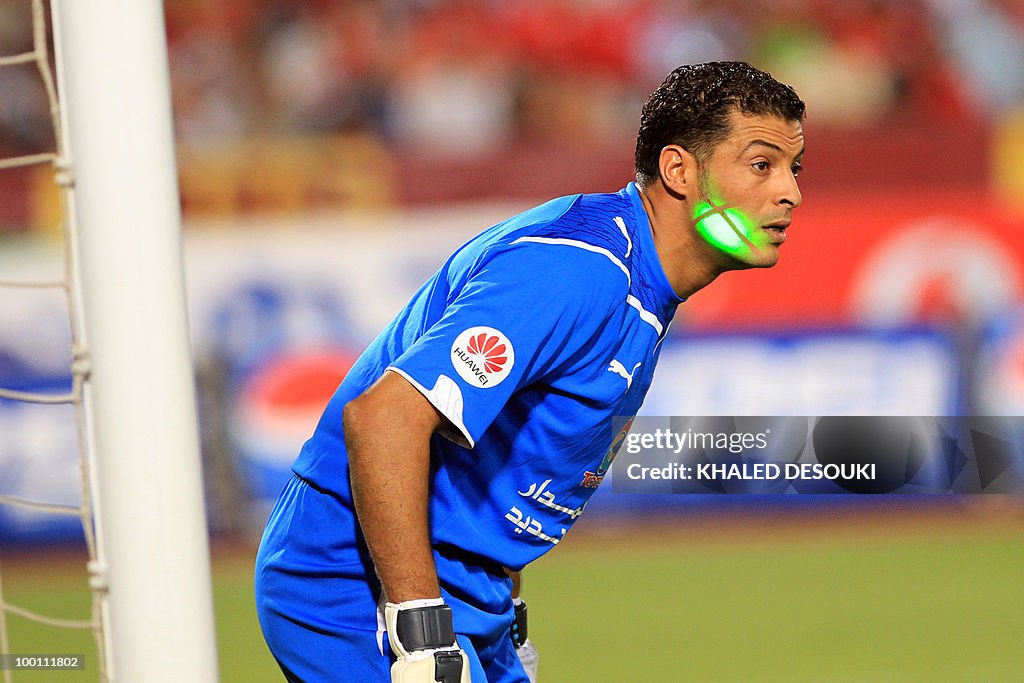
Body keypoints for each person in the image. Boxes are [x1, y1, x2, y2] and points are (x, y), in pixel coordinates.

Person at [255, 60, 806, 682]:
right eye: (762, 165)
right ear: (678, 169)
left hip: (467, 601)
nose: (789, 191)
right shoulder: (577, 274)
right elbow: (382, 418)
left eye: (793, 169)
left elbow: (505, 461)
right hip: (352, 590)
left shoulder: (635, 279)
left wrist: (505, 618)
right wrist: (420, 634)